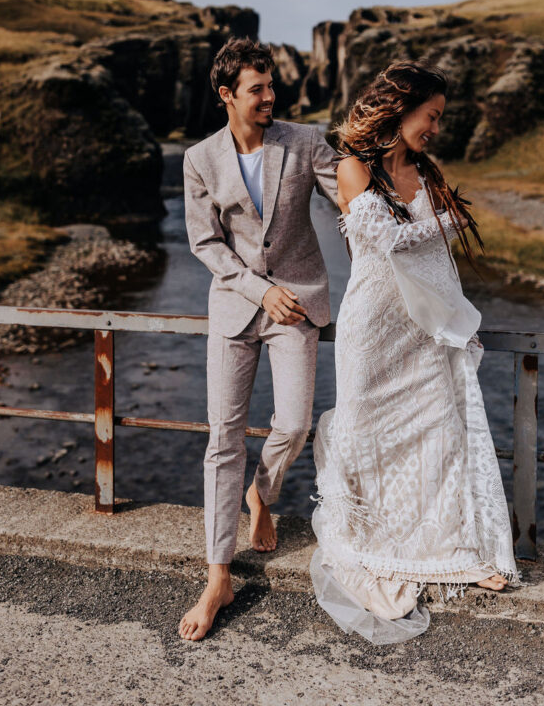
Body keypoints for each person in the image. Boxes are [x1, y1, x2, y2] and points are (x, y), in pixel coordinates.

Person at [310, 60, 520, 644]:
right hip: (373, 330)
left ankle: (454, 551)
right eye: (431, 116)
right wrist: (448, 218)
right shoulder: (352, 169)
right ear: (400, 108)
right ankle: (376, 544)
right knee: (366, 433)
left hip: (423, 333)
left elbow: (434, 264)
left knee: (440, 435)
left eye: (439, 119)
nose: (435, 129)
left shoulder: (428, 174)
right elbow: (388, 241)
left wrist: (459, 322)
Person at [179, 37, 339, 641]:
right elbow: (205, 243)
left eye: (272, 86)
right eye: (258, 89)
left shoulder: (303, 142)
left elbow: (348, 199)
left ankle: (262, 493)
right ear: (227, 96)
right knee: (223, 437)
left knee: (295, 423)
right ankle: (218, 574)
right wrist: (255, 288)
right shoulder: (199, 159)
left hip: (299, 303)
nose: (271, 96)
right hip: (236, 308)